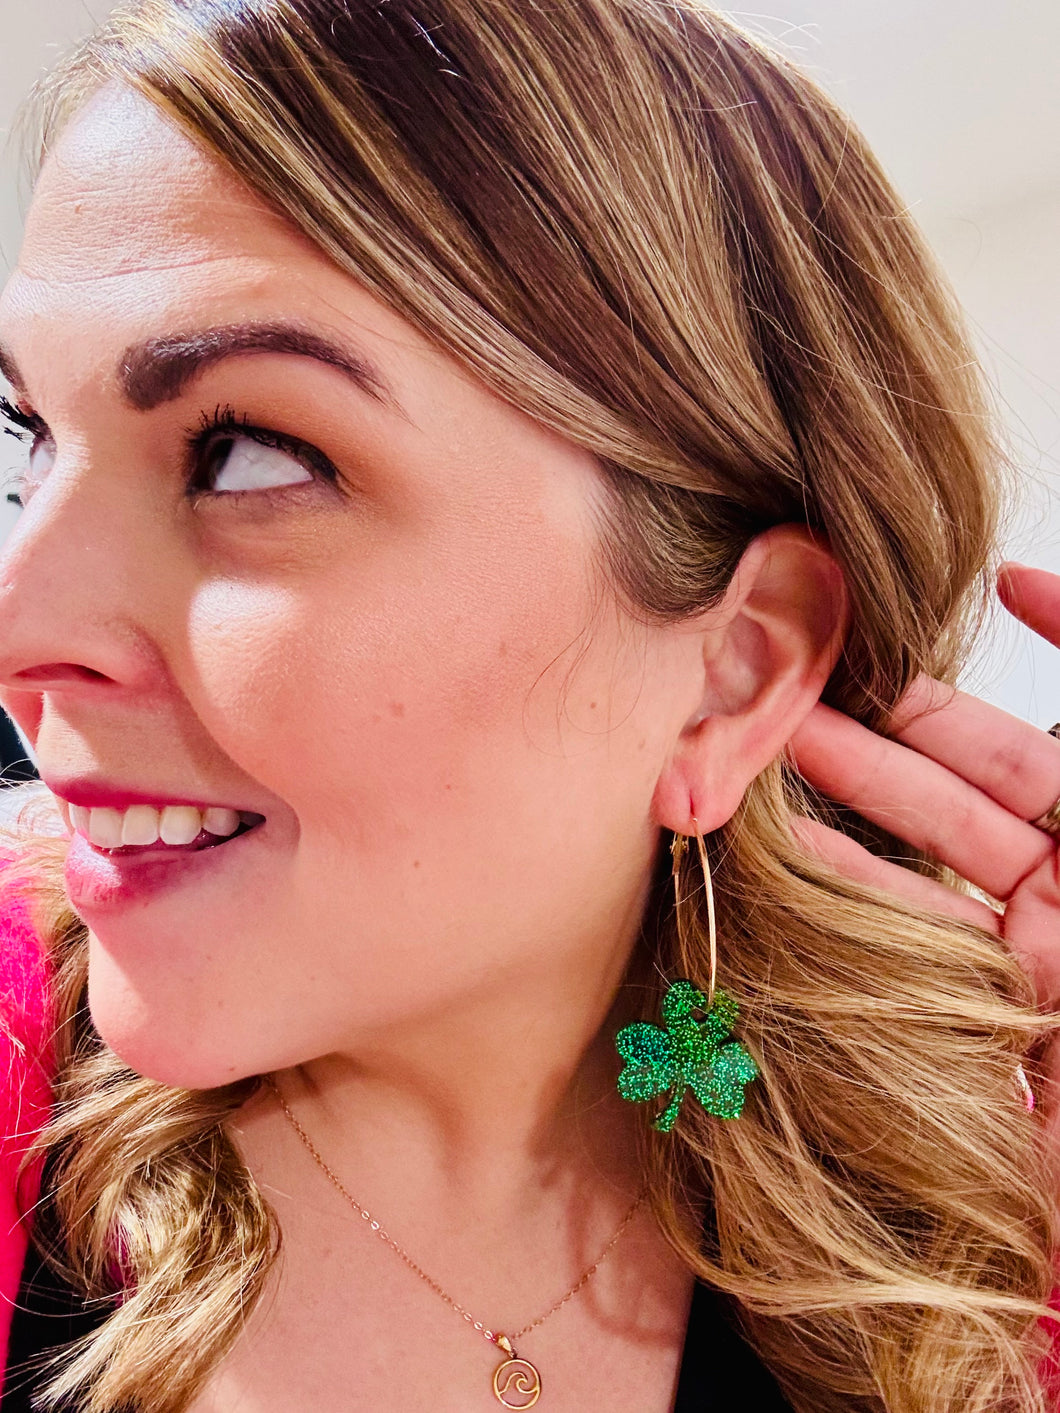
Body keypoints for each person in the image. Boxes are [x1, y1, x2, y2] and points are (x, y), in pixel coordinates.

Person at [0, 1, 1057, 1409]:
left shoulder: (976, 1241)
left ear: (731, 671)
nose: (22, 629)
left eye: (247, 457)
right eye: (29, 442)